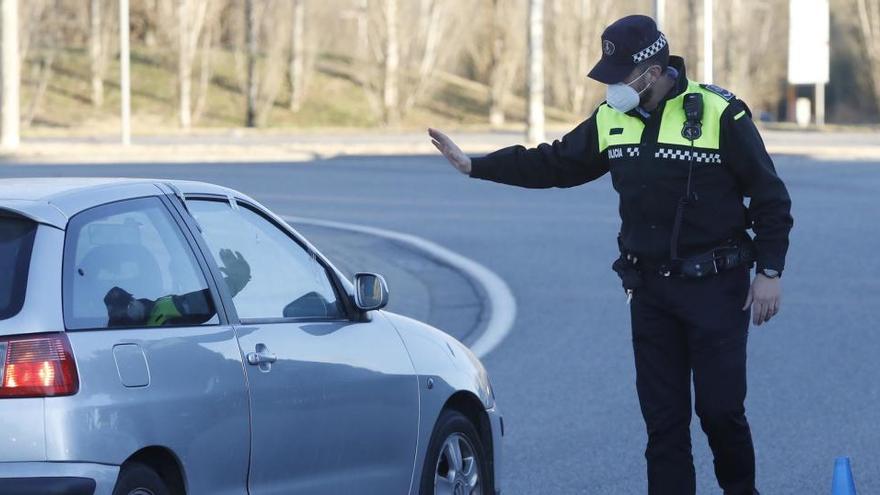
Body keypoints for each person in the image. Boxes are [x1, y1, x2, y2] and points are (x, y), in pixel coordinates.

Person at [428, 14, 793, 495]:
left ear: (654, 70)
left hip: (716, 289)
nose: (613, 87)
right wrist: (476, 166)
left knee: (720, 412)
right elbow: (554, 162)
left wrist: (769, 271)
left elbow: (770, 198)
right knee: (664, 424)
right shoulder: (612, 118)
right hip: (650, 291)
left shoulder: (721, 113)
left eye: (620, 75)